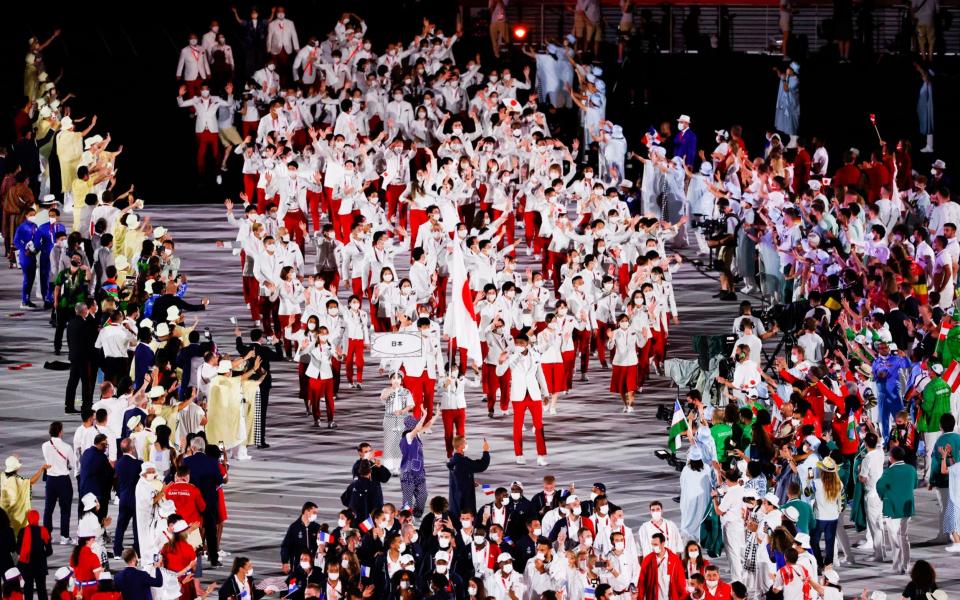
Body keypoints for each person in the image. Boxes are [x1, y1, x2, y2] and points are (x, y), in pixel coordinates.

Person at [495, 333, 550, 466]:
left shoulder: (535, 355)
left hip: (534, 395)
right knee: (517, 426)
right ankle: (519, 454)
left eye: (521, 343)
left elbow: (540, 374)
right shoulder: (511, 356)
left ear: (527, 344)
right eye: (517, 343)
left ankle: (541, 456)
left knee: (539, 426)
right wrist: (503, 360)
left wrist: (545, 393)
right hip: (518, 395)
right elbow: (499, 372)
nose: (519, 345)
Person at [876, 445, 916, 575]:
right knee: (904, 537)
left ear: (891, 458)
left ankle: (897, 565)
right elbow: (914, 485)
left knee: (894, 538)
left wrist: (884, 497)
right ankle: (906, 565)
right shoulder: (911, 469)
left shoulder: (889, 471)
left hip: (892, 508)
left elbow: (879, 486)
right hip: (906, 508)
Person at [40, 421, 75, 544]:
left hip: (50, 480)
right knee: (65, 509)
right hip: (63, 481)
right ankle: (64, 537)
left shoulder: (45, 446)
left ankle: (46, 536)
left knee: (48, 509)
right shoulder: (67, 447)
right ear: (60, 432)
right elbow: (74, 463)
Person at [400, 413, 435, 519]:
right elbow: (418, 428)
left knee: (423, 495)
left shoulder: (417, 436)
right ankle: (406, 518)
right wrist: (424, 416)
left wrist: (436, 415)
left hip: (419, 471)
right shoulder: (408, 437)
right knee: (408, 499)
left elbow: (426, 426)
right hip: (408, 472)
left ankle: (417, 513)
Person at [1, 457, 48, 535]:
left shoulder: (2, 476)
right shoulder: (18, 480)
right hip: (17, 516)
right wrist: (41, 469)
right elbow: (32, 481)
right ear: (17, 468)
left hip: (4, 513)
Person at [447, 436, 490, 518]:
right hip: (464, 500)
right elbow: (482, 465)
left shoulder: (453, 460)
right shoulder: (463, 461)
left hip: (455, 499)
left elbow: (458, 477)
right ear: (461, 446)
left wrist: (469, 481)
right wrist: (486, 451)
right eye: (465, 443)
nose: (467, 444)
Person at [381, 372, 414, 474]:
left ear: (401, 380)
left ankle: (398, 466)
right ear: (390, 380)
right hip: (389, 419)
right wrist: (393, 390)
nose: (396, 380)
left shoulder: (406, 392)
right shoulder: (386, 391)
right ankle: (388, 466)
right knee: (389, 442)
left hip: (401, 419)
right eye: (393, 378)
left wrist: (402, 411)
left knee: (399, 443)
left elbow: (411, 405)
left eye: (398, 378)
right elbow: (383, 398)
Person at [15, 510, 52, 600]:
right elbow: (49, 551)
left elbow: (18, 550)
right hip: (40, 565)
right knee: (42, 589)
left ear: (28, 519)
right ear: (38, 518)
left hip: (26, 565)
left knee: (28, 589)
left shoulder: (22, 531)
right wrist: (42, 555)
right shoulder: (43, 530)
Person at [638, 532, 685, 600]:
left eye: (656, 545)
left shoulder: (675, 560)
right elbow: (641, 582)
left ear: (663, 543)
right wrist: (640, 598)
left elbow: (681, 581)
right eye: (652, 545)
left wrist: (683, 597)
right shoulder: (647, 560)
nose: (654, 547)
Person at [774, 62, 800, 148]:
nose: (787, 69)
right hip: (787, 107)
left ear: (793, 71)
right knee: (788, 124)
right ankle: (791, 141)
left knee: (793, 124)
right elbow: (780, 76)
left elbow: (786, 89)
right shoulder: (788, 77)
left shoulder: (796, 80)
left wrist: (785, 79)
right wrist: (777, 70)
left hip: (793, 106)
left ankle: (794, 142)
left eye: (789, 68)